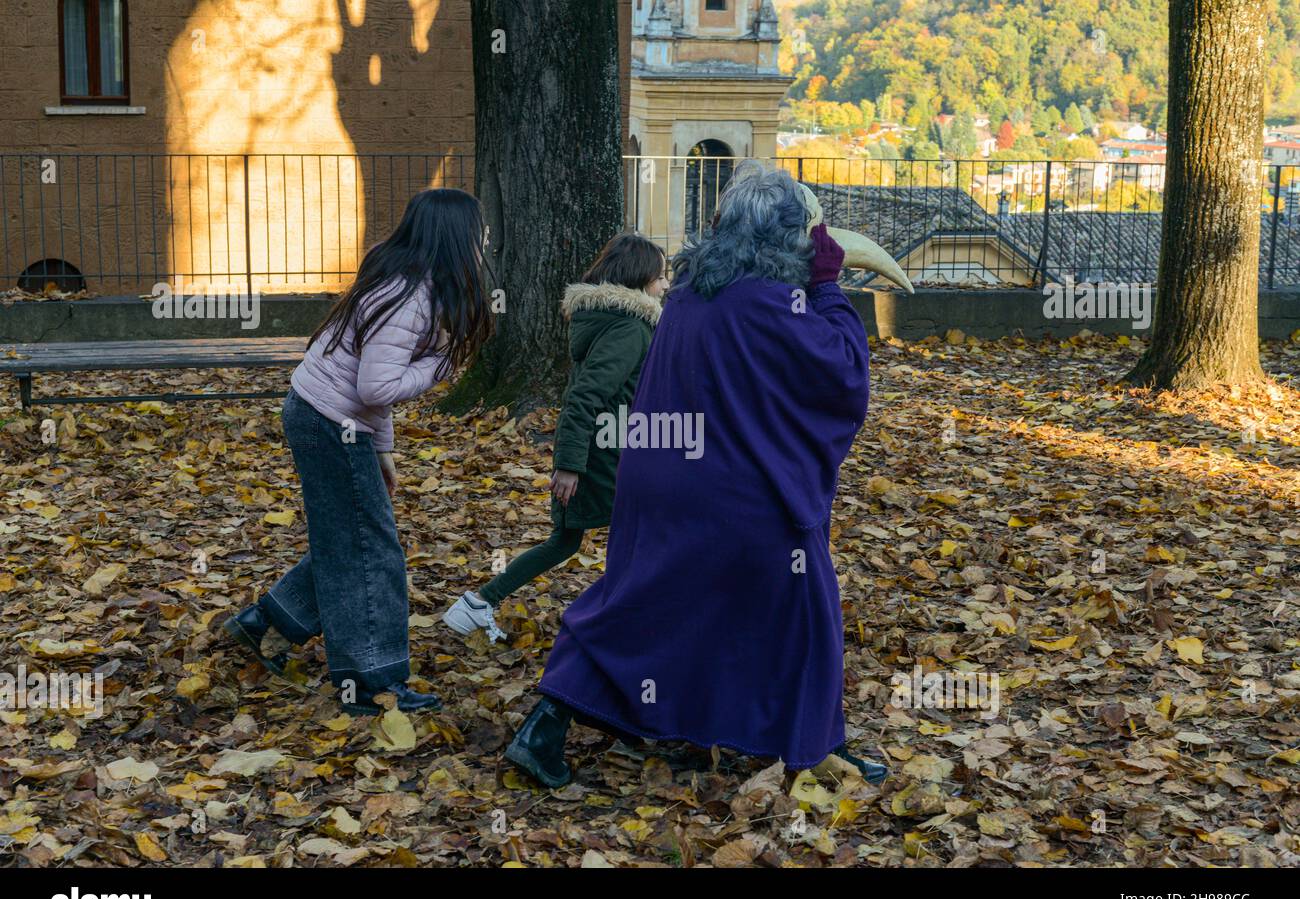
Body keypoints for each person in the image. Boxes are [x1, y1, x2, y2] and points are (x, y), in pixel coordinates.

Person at [504, 161, 889, 786]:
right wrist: (825, 285)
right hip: (742, 495)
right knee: (804, 613)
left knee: (643, 605)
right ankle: (814, 749)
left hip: (658, 481)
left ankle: (549, 724)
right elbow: (843, 373)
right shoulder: (776, 302)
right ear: (786, 238)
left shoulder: (686, 296)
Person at [223, 188, 493, 715]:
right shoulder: (412, 296)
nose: (485, 242)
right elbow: (376, 385)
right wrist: (439, 370)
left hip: (325, 416)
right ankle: (372, 680)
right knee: (370, 551)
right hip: (330, 422)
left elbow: (368, 385)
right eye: (478, 231)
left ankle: (266, 624)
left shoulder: (403, 281)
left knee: (347, 539)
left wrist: (384, 449)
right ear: (455, 237)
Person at [443, 233, 667, 642]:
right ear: (641, 278)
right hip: (604, 454)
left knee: (568, 541)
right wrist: (568, 465)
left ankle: (479, 603)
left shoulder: (609, 321)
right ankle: (623, 626)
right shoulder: (630, 329)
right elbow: (584, 396)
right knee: (643, 535)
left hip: (601, 449)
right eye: (660, 276)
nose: (664, 285)